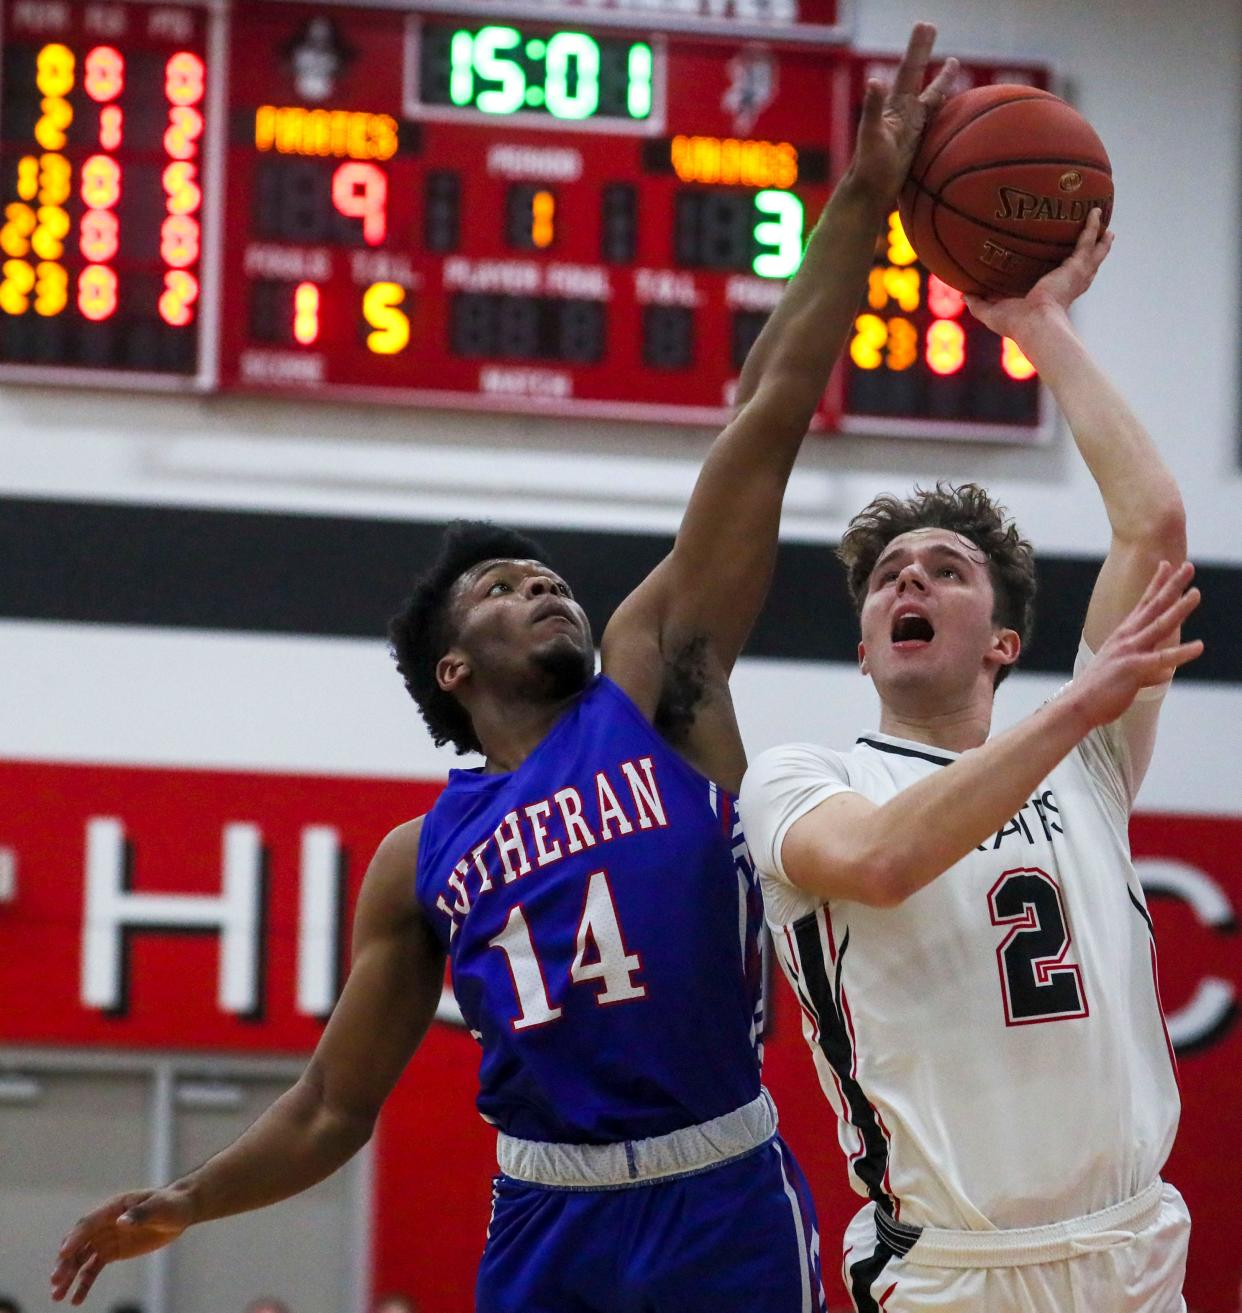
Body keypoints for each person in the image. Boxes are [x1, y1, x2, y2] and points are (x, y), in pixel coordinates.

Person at [49, 26, 957, 1313]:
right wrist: (189, 1197)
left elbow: (761, 425)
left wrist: (861, 200)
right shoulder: (419, 858)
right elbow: (327, 1104)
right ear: (455, 666)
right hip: (547, 1213)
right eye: (504, 587)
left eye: (549, 578)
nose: (545, 587)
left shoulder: (656, 689)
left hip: (721, 1187)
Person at [739, 212, 1201, 1313]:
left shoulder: (1086, 759)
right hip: (952, 1273)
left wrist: (1040, 323)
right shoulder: (803, 778)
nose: (909, 583)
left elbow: (1155, 522)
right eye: (889, 575)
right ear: (863, 645)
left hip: (1135, 1245)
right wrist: (1078, 705)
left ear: (1004, 640)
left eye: (945, 570)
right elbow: (884, 861)